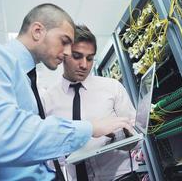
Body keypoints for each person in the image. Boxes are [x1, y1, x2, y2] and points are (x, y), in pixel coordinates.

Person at [0, 3, 132, 180]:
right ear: (37, 31)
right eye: (65, 42)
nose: (66, 52)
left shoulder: (27, 82)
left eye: (90, 58)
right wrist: (90, 128)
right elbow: (3, 136)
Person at [41, 24, 138, 181]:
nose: (84, 65)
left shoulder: (112, 88)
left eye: (90, 58)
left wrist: (128, 140)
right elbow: (47, 153)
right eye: (77, 56)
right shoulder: (47, 100)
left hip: (122, 177)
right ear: (63, 54)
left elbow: (136, 136)